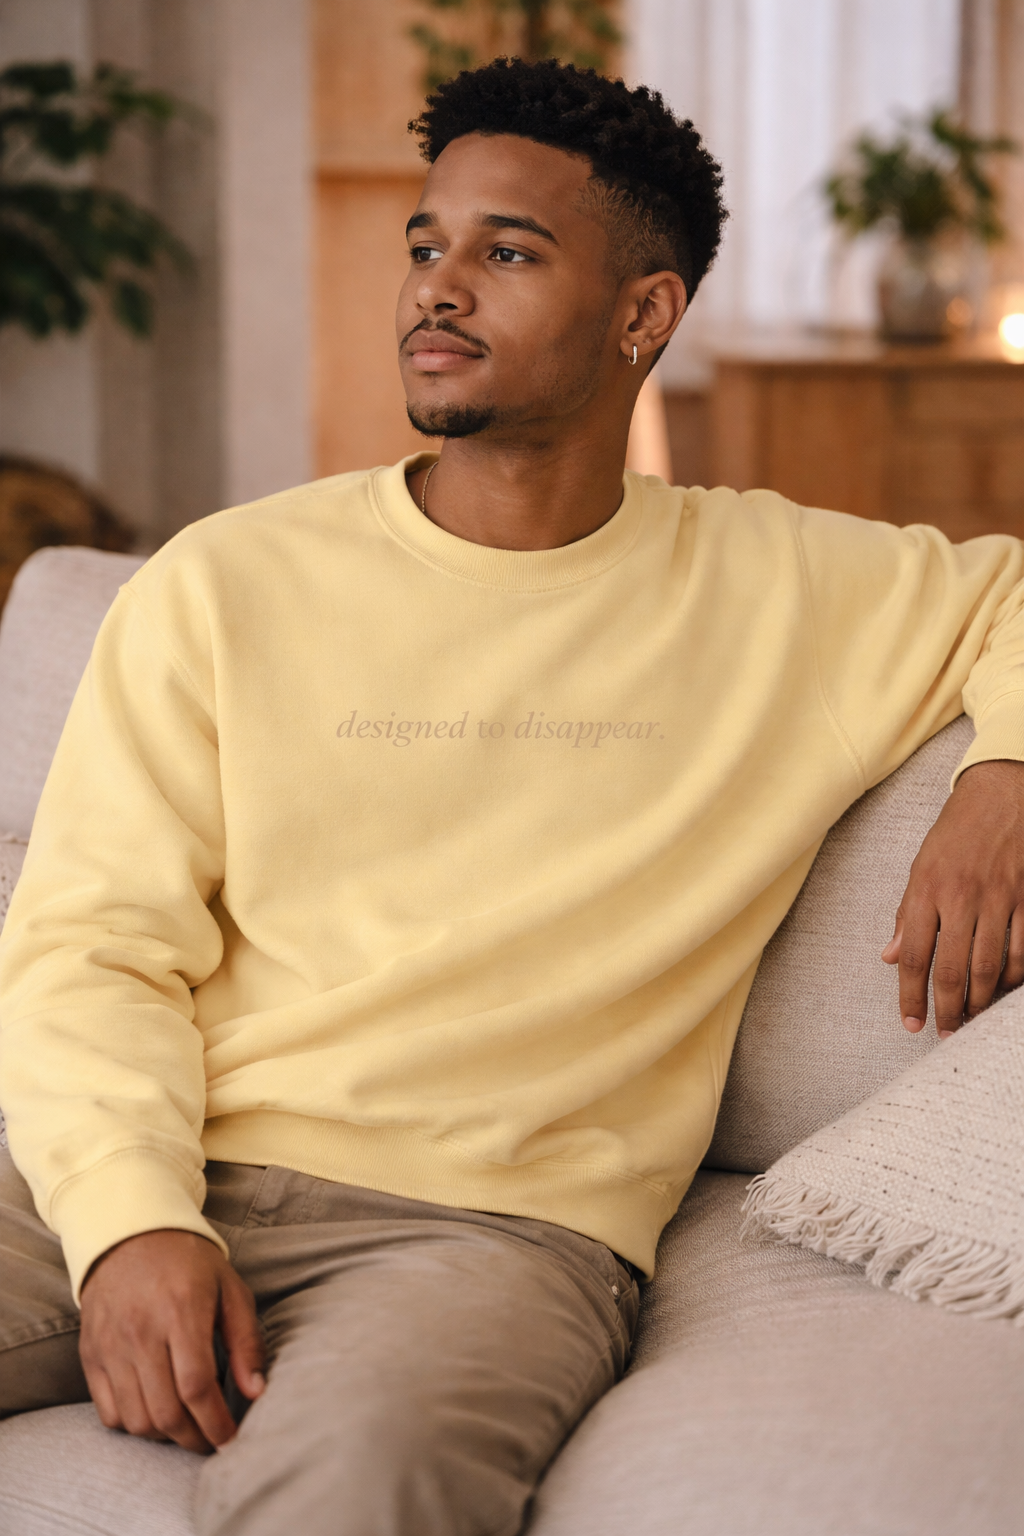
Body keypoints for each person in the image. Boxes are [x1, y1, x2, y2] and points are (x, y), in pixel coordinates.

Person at [0, 58, 1022, 1536]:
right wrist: (130, 1223)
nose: (437, 284)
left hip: (490, 1235)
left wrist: (1003, 775)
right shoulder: (224, 581)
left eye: (510, 253)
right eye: (427, 243)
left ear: (644, 315)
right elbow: (93, 942)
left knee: (356, 1498)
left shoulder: (789, 586)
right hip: (150, 1160)